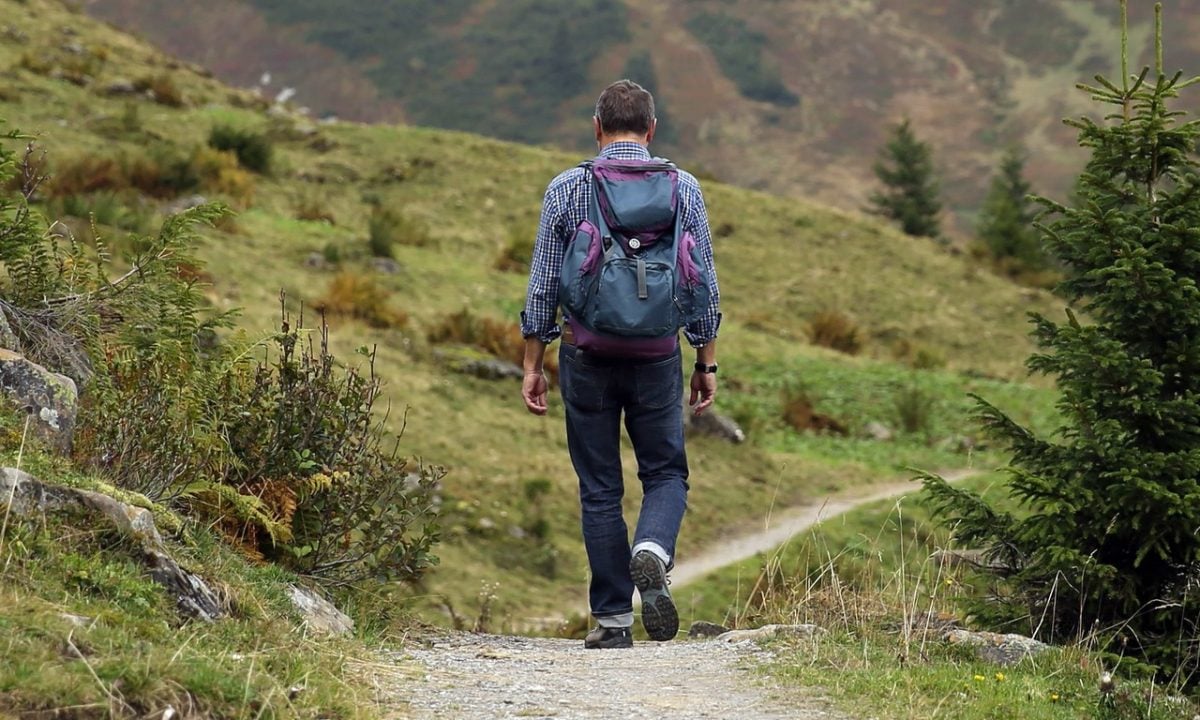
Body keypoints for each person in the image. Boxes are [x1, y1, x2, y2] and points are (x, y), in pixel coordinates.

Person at [519, 79, 721, 648]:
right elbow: (703, 281)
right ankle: (652, 549)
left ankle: (612, 621)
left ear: (597, 127)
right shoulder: (684, 188)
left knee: (600, 486)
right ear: (652, 129)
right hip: (658, 355)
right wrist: (705, 361)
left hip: (586, 353)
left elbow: (541, 287)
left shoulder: (566, 188)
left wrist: (534, 361)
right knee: (665, 472)